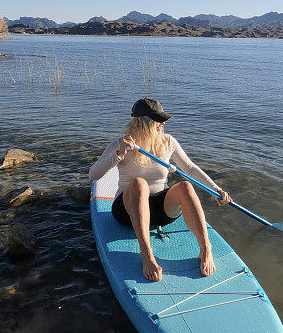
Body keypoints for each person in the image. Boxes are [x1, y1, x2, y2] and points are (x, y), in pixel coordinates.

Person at [88, 98, 231, 281]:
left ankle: (205, 248)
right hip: (127, 211)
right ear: (143, 123)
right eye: (158, 120)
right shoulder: (120, 144)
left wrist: (215, 189)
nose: (163, 123)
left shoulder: (168, 142)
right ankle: (147, 255)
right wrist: (119, 155)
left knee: (185, 186)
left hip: (160, 210)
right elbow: (93, 175)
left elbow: (190, 169)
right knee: (139, 184)